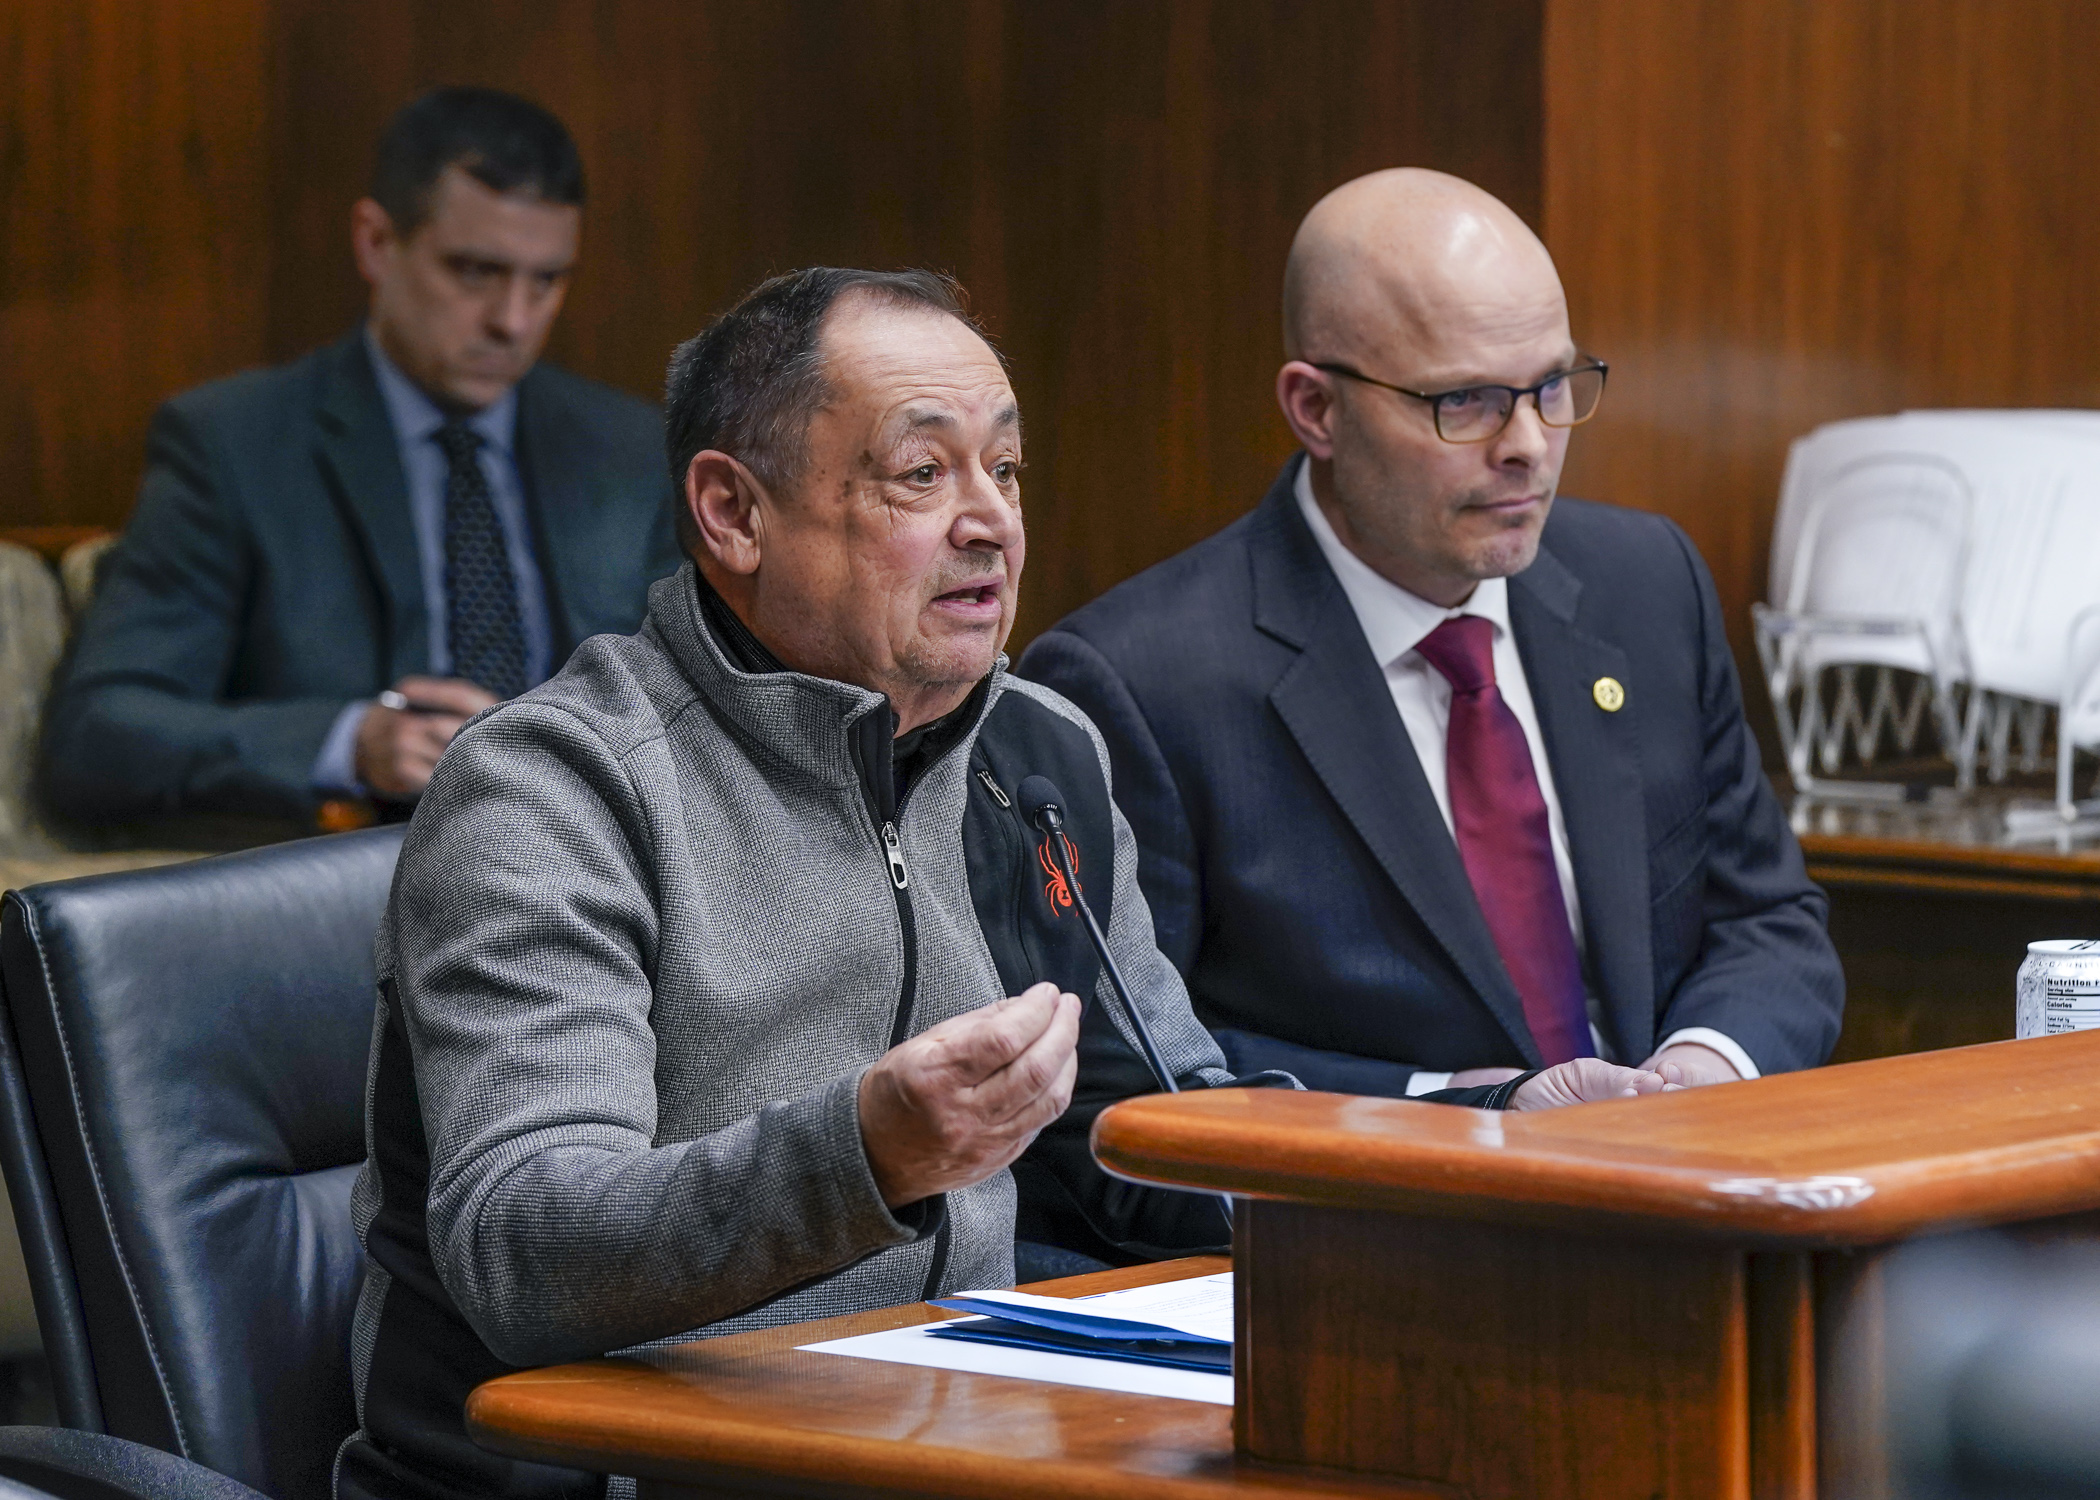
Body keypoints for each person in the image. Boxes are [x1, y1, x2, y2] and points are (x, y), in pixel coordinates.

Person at [336, 266, 1672, 1500]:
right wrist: (868, 1152)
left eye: (1010, 470)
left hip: (933, 1441)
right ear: (733, 512)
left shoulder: (1033, 754)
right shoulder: (556, 790)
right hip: (612, 1468)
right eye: (921, 473)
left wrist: (1489, 1138)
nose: (991, 522)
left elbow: (1167, 1126)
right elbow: (527, 1248)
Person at [1020, 169, 1844, 1098]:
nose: (1529, 443)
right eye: (1468, 403)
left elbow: (1768, 921)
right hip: (1381, 1229)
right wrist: (1467, 1109)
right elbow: (1126, 1068)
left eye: (1553, 386)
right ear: (1316, 409)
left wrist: (1698, 1070)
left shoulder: (1646, 585)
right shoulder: (1139, 682)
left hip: (1682, 1197)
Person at [40, 88, 678, 835]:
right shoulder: (233, 445)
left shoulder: (629, 451)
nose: (512, 321)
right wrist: (351, 743)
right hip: (355, 879)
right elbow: (98, 737)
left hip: (596, 871)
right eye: (474, 271)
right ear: (376, 243)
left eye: (547, 280)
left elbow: (705, 716)